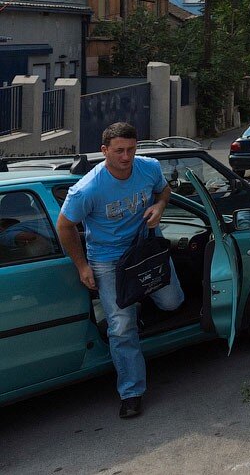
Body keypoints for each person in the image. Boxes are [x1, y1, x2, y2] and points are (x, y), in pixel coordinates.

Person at [56, 122, 184, 419]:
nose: (126, 157)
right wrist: (82, 265)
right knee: (121, 327)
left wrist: (160, 206)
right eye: (119, 151)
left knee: (172, 302)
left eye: (131, 149)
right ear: (105, 151)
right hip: (108, 259)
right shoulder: (88, 188)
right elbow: (65, 226)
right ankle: (131, 392)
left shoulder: (149, 167)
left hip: (146, 248)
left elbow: (163, 191)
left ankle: (133, 304)